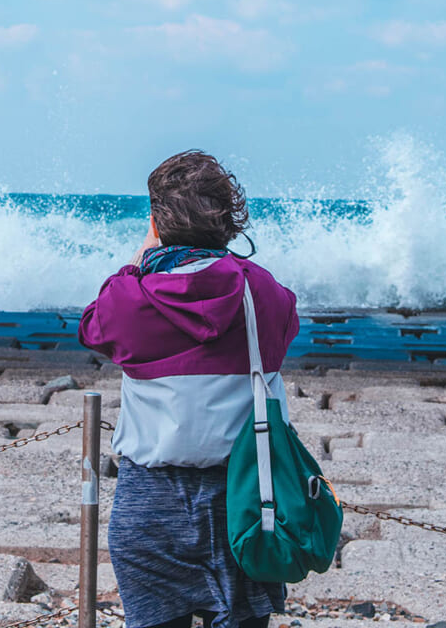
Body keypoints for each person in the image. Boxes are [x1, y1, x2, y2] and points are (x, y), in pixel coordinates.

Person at [78, 150, 299, 628]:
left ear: (158, 221)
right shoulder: (263, 293)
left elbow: (93, 329)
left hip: (150, 503)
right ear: (227, 223)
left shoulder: (128, 297)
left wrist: (137, 259)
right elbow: (284, 335)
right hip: (245, 496)